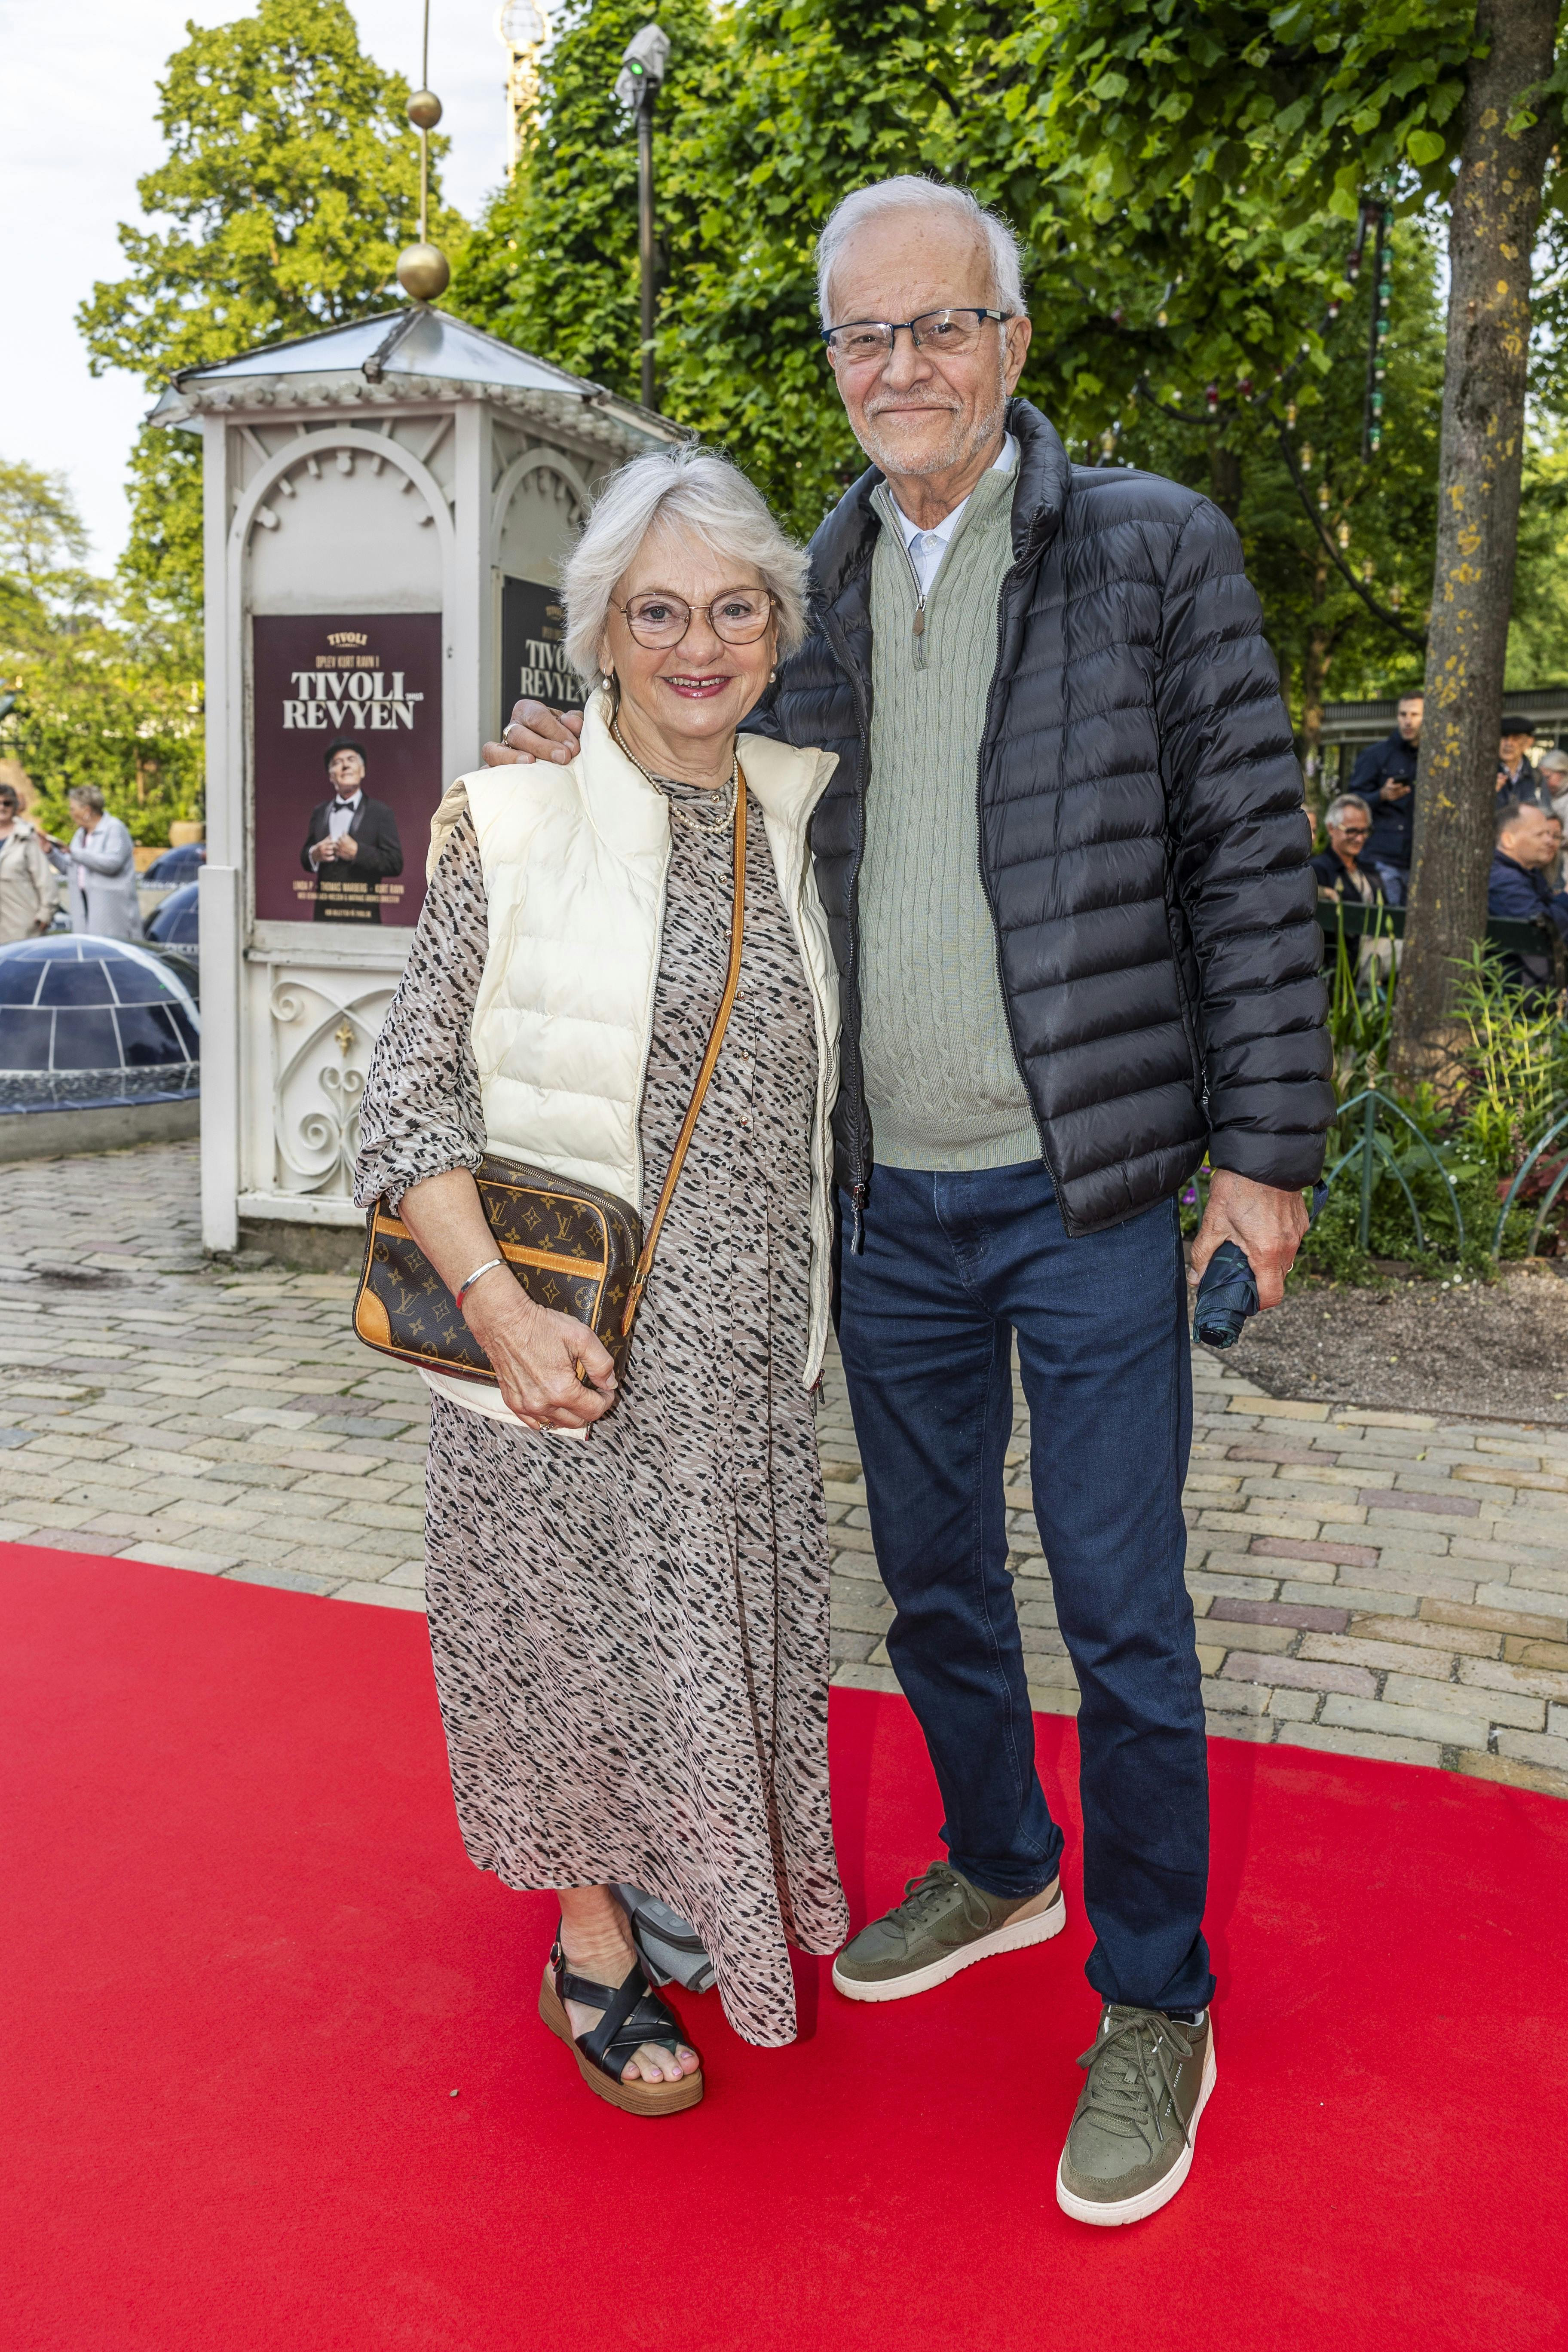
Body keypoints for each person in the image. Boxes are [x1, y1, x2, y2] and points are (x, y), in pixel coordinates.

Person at [484, 175, 1333, 2223]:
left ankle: (1152, 1994)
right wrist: (559, 750)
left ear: (1011, 344)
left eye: (935, 325)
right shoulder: (813, 587)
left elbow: (1244, 851)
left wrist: (1266, 1149)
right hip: (884, 1205)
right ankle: (997, 1854)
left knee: (1121, 1609)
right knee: (936, 1575)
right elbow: (692, 770)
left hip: (1100, 1183)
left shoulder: (1150, 549)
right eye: (859, 337)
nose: (896, 366)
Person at [355, 448, 848, 2116]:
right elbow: (403, 1104)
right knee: (574, 1652)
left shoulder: (799, 810)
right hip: (560, 1346)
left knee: (703, 1647)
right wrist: (499, 1315)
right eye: (658, 613)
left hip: (742, 1362)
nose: (698, 645)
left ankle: (690, 1887)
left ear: (777, 629)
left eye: (732, 609)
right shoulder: (508, 817)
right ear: (600, 638)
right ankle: (594, 1954)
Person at [300, 742, 404, 925]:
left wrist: (358, 852)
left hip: (364, 918)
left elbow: (395, 863)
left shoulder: (381, 812)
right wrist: (314, 855)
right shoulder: (320, 811)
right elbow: (305, 855)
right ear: (331, 776)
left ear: (362, 771)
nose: (346, 765)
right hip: (324, 917)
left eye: (351, 760)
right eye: (338, 762)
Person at [1311, 793, 1393, 987]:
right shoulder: (1319, 869)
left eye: (1365, 832)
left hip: (1379, 950)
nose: (1359, 838)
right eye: (1352, 831)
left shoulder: (1369, 870)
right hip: (1349, 962)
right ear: (1331, 828)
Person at [1489, 800, 1568, 995]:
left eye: (1551, 834)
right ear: (1509, 840)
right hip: (1525, 990)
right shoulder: (1503, 880)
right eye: (1540, 835)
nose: (1550, 841)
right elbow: (1547, 932)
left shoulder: (1525, 872)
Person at [44, 787, 142, 940]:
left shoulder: (114, 829)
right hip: (84, 904)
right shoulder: (81, 834)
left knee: (111, 951)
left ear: (87, 810)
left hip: (111, 909)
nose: (71, 814)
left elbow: (112, 864)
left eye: (73, 809)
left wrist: (73, 853)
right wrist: (51, 852)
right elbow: (69, 868)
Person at [1348, 688, 1421, 890]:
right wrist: (1381, 795)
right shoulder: (1375, 755)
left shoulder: (1435, 758)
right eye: (1403, 714)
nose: (1408, 721)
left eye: (1415, 715)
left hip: (1422, 861)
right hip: (1381, 859)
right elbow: (1351, 804)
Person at [0, 781, 57, 943]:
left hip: (22, 924)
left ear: (15, 806)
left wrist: (45, 914)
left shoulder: (26, 836)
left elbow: (45, 880)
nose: (2, 807)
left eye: (7, 803)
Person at [1496, 716, 1547, 808]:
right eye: (1505, 737)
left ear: (1529, 742)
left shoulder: (1537, 777)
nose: (1509, 743)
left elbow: (1546, 812)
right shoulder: (1485, 774)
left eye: (1516, 738)